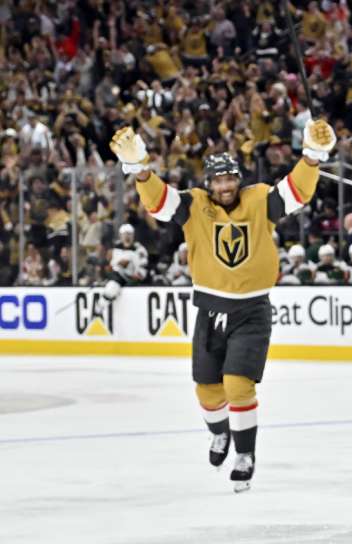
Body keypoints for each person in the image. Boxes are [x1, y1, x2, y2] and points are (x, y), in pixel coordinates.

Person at [110, 118, 336, 491]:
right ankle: (220, 433)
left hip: (251, 311)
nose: (225, 186)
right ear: (208, 184)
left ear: (238, 179)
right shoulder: (195, 205)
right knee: (207, 390)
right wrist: (141, 169)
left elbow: (295, 192)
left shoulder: (260, 199)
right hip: (210, 310)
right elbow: (159, 203)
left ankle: (245, 453)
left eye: (230, 179)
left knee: (237, 385)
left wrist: (311, 158)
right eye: (218, 181)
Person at [107, 223, 149, 294]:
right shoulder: (116, 249)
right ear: (120, 235)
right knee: (111, 286)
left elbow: (143, 271)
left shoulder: (139, 250)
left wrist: (132, 270)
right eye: (124, 234)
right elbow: (111, 267)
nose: (127, 237)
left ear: (133, 235)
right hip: (118, 278)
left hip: (133, 281)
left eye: (129, 234)